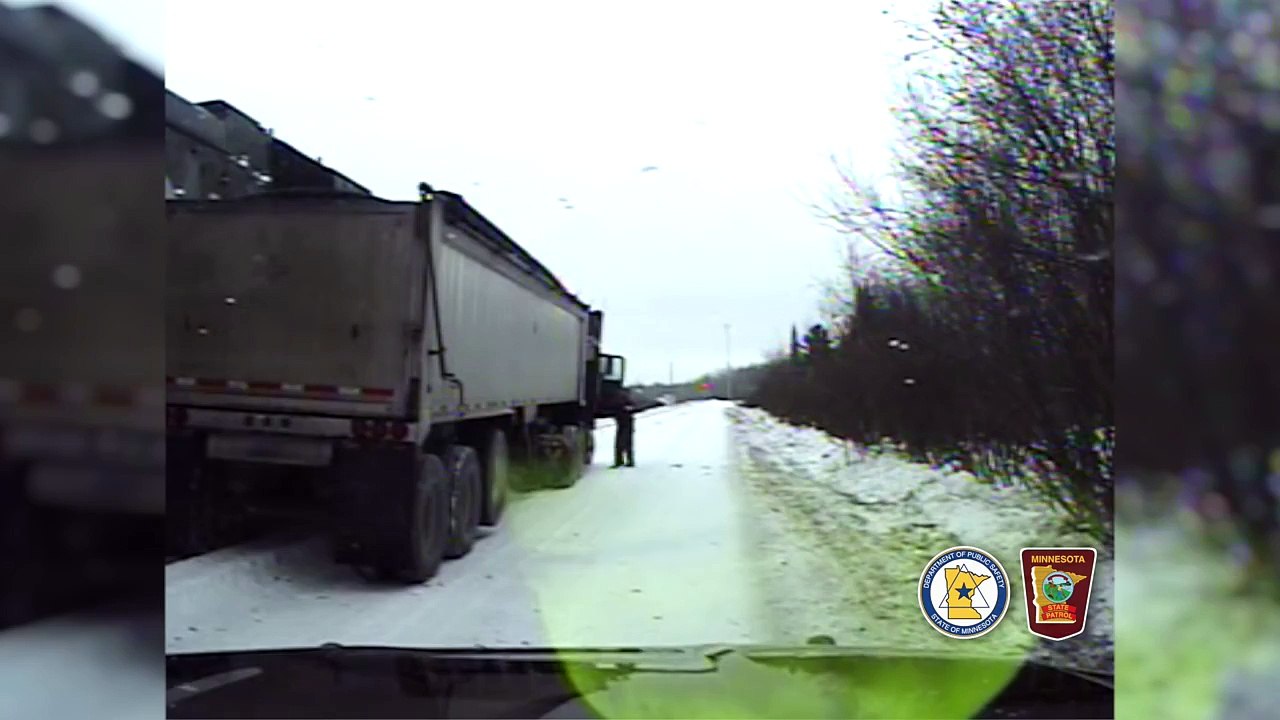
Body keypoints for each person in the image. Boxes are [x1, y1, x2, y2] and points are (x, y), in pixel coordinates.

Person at [613, 393, 635, 468]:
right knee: (625, 443)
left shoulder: (619, 402)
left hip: (625, 424)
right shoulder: (622, 401)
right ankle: (627, 461)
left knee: (623, 443)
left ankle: (621, 461)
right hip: (624, 423)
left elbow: (632, 408)